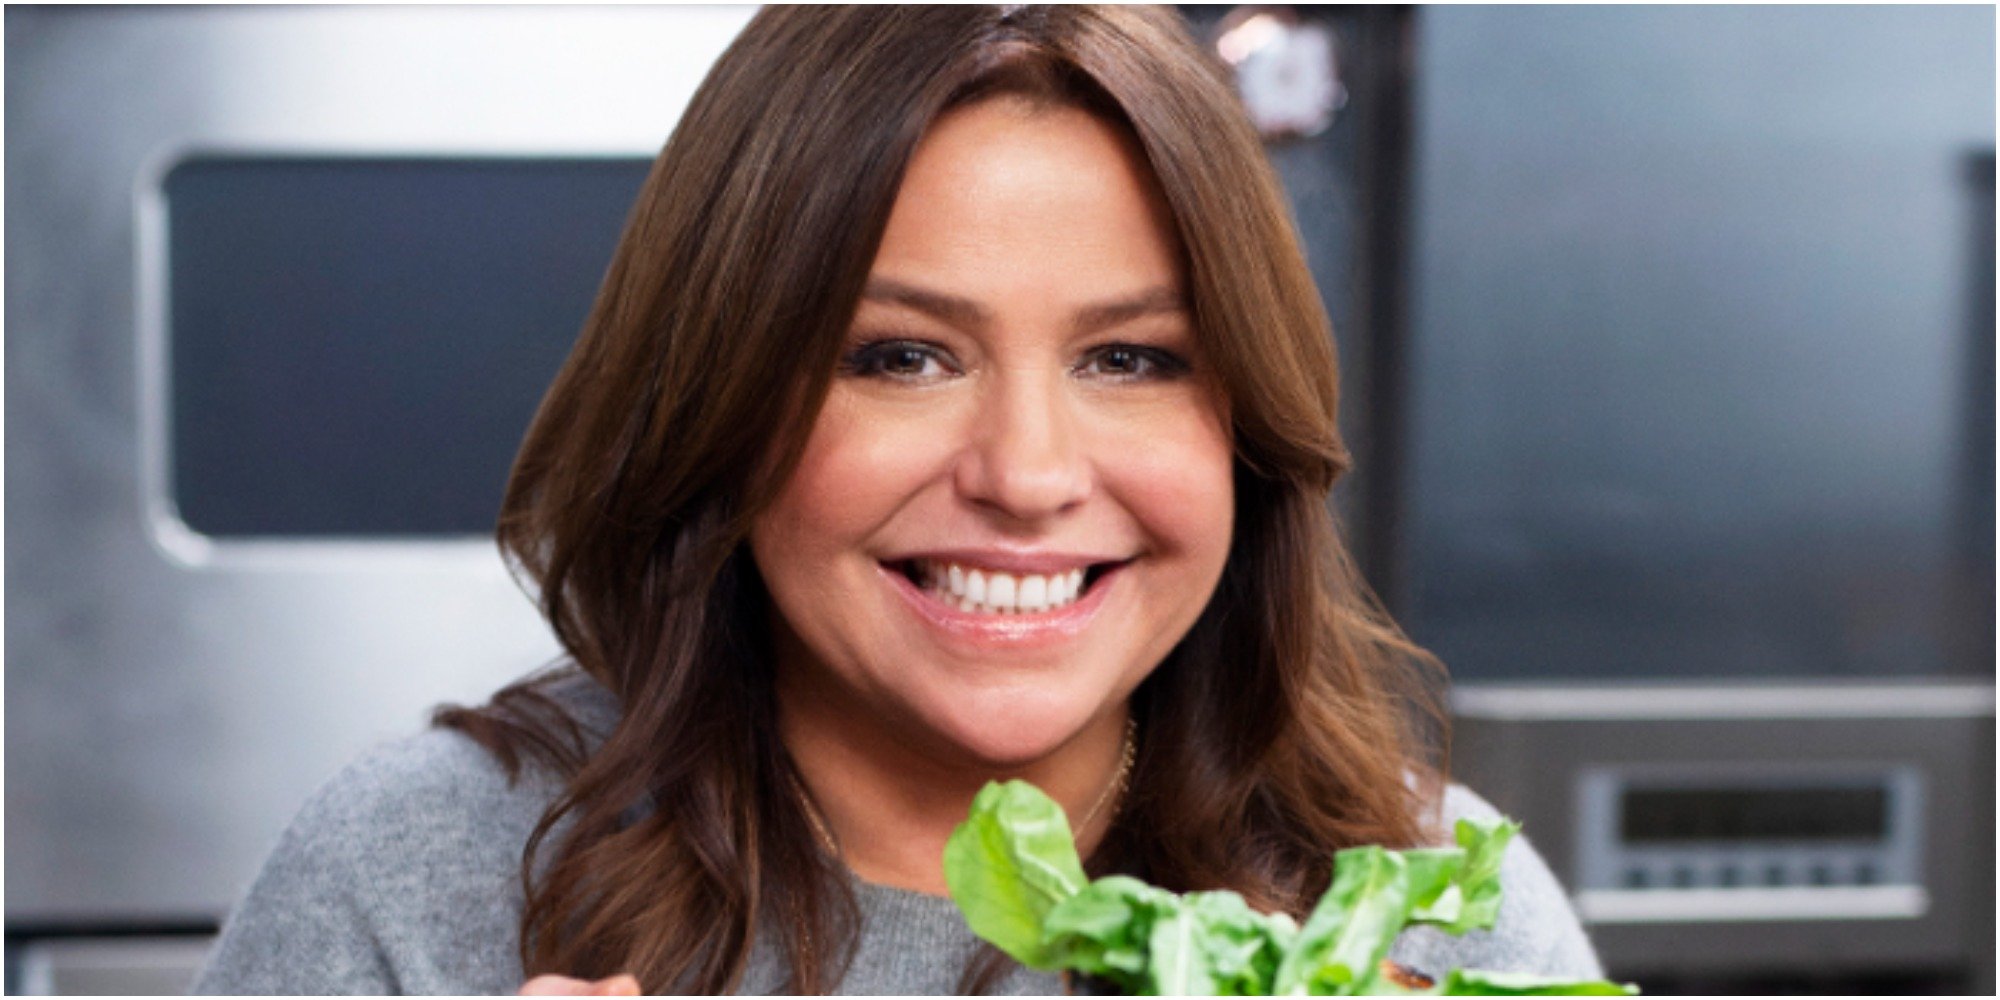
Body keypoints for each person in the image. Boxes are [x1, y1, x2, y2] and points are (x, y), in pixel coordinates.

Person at [196, 6, 1603, 995]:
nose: (1030, 476)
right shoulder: (408, 882)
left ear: (1249, 430)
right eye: (901, 357)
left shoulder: (1432, 912)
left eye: (1133, 359)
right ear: (727, 401)